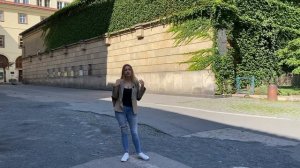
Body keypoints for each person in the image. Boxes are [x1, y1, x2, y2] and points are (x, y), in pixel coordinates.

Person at [112, 64, 150, 162]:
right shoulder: (119, 82)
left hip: (132, 110)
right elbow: (115, 96)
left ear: (131, 71)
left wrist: (142, 87)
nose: (127, 71)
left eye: (129, 69)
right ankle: (126, 153)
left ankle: (139, 152)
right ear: (123, 72)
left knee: (134, 132)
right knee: (124, 131)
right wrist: (115, 86)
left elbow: (138, 97)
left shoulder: (135, 82)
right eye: (125, 70)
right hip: (120, 110)